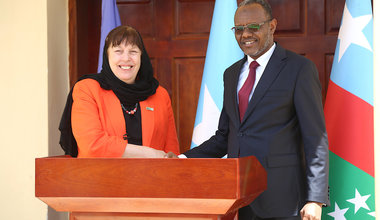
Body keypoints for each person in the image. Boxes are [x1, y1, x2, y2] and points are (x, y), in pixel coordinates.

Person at [168, 0, 330, 219]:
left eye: (253, 27)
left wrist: (315, 198)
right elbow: (226, 136)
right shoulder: (231, 74)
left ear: (272, 26)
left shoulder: (299, 69)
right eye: (239, 29)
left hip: (284, 200)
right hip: (241, 201)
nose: (245, 35)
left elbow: (315, 138)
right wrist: (182, 159)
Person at [59, 25, 179, 158]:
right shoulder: (86, 89)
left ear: (141, 56)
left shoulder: (160, 94)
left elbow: (172, 152)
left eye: (133, 51)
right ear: (107, 55)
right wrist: (151, 153)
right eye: (118, 51)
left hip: (151, 177)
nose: (126, 58)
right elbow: (92, 145)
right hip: (100, 177)